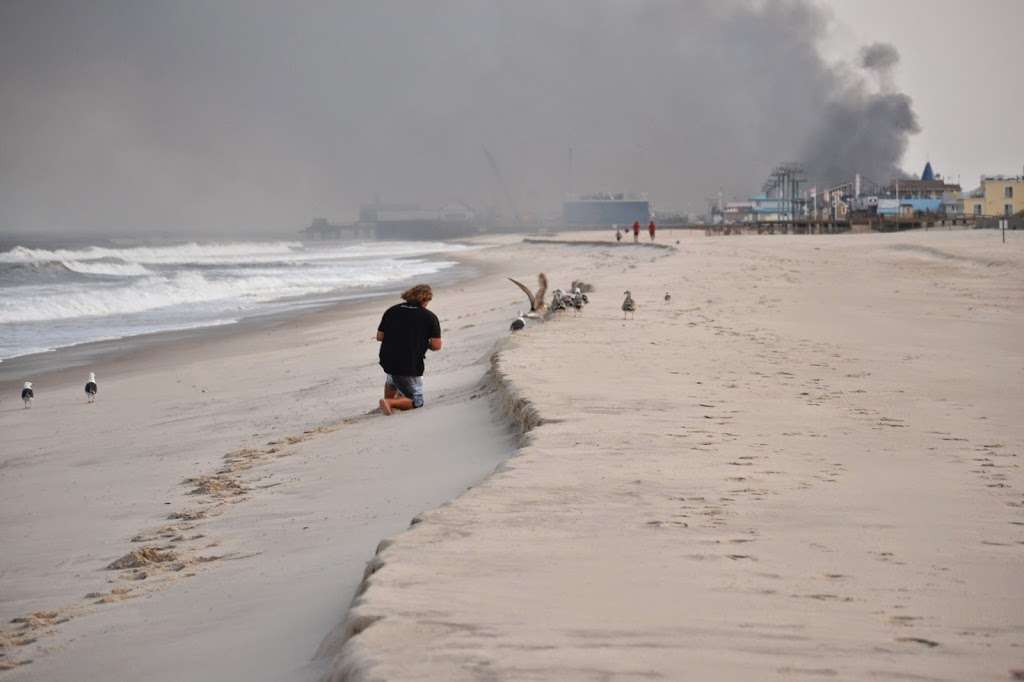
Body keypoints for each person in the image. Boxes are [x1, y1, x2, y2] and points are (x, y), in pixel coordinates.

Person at [375, 284, 442, 415]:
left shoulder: (392, 310)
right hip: (409, 362)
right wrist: (422, 342)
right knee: (417, 401)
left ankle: (389, 402)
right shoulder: (429, 317)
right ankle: (390, 402)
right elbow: (436, 345)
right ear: (425, 300)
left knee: (393, 377)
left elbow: (379, 336)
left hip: (387, 358)